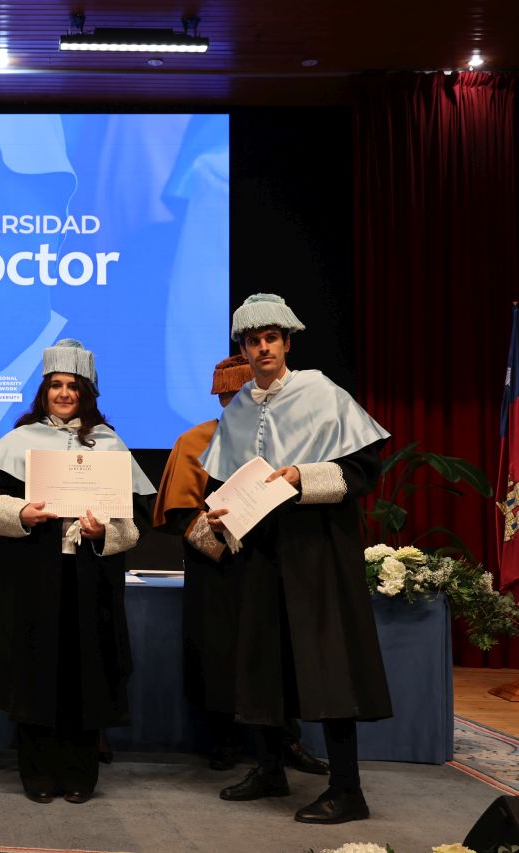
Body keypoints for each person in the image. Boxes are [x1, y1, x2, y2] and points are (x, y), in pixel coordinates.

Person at [195, 293, 391, 824]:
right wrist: (218, 517)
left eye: (271, 339)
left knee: (328, 665)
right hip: (259, 553)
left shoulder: (321, 392)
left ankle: (348, 790)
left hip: (317, 550)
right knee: (261, 662)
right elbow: (220, 484)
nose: (263, 348)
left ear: (287, 342)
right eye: (253, 341)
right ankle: (269, 768)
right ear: (243, 349)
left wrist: (304, 476)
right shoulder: (236, 411)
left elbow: (365, 470)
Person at [0, 339, 155, 804]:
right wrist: (21, 513)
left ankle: (79, 773)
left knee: (86, 674)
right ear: (44, 391)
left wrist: (104, 533)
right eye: (55, 384)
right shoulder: (19, 439)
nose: (63, 393)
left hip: (91, 580)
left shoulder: (109, 443)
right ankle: (36, 771)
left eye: (72, 386)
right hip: (33, 578)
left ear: (86, 393)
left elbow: (136, 515)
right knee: (35, 673)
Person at [153, 354, 329, 775]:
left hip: (273, 567)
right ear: (219, 397)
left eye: (245, 394)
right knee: (217, 653)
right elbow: (179, 512)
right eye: (229, 396)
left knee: (279, 652)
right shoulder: (196, 441)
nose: (238, 402)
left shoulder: (288, 443)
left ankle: (287, 740)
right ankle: (223, 740)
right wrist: (220, 537)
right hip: (218, 570)